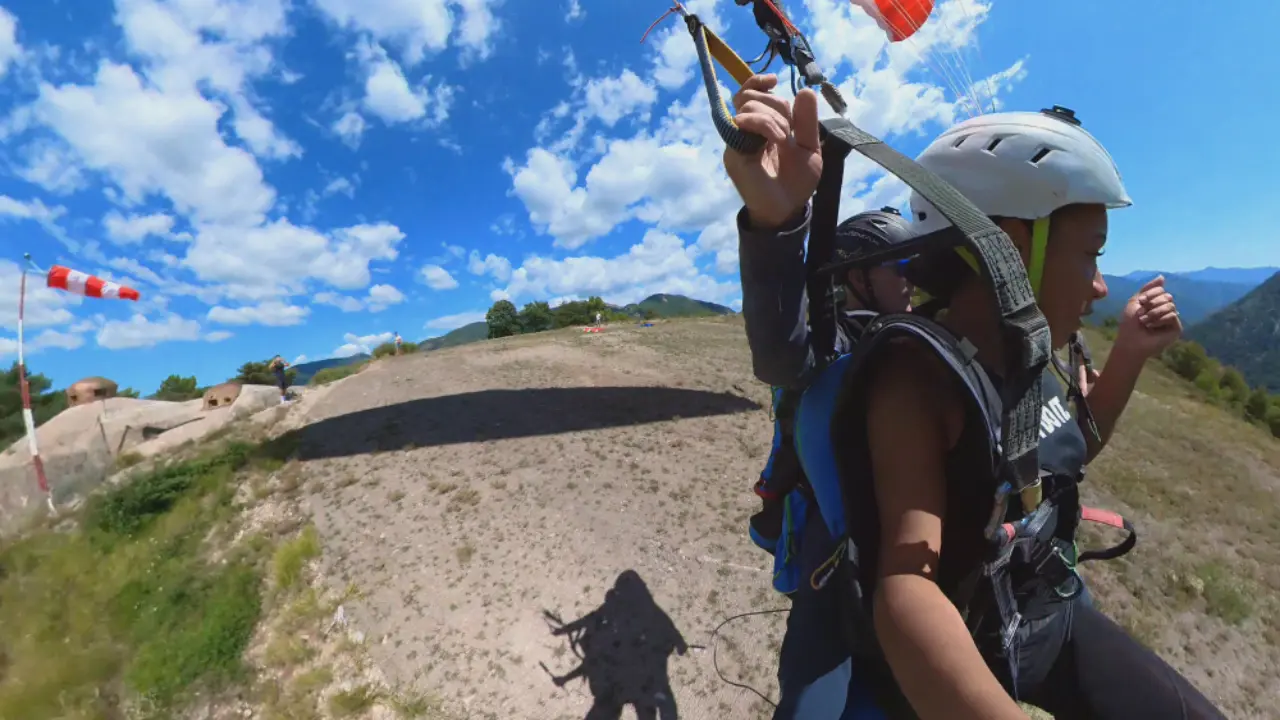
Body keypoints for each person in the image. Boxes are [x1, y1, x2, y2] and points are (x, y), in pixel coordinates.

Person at [725, 73, 1225, 719]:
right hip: (964, 628)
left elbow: (1057, 456)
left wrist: (1128, 353)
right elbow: (907, 580)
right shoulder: (920, 375)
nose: (1100, 286)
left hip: (1042, 608)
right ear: (1011, 248)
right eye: (1091, 255)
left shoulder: (1027, 350)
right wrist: (777, 221)